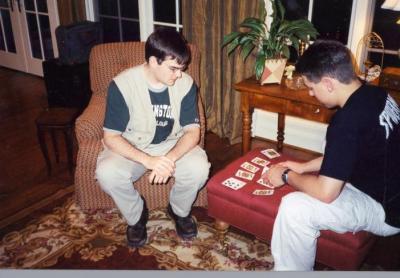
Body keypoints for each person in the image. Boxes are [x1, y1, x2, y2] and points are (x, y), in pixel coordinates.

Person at [264, 40, 400, 270]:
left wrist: (286, 175)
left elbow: (326, 193)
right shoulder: (376, 94)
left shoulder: (346, 121)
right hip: (389, 187)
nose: (310, 93)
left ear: (327, 83)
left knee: (294, 208)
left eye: (311, 86)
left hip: (386, 210)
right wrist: (303, 167)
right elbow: (350, 154)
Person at [95, 28, 210, 248]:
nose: (179, 75)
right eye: (173, 68)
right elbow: (111, 137)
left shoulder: (186, 84)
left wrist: (169, 158)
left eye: (182, 68)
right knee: (106, 172)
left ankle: (179, 211)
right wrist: (149, 161)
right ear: (153, 61)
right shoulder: (121, 85)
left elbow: (192, 132)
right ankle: (136, 216)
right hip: (133, 145)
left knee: (199, 167)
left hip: (172, 143)